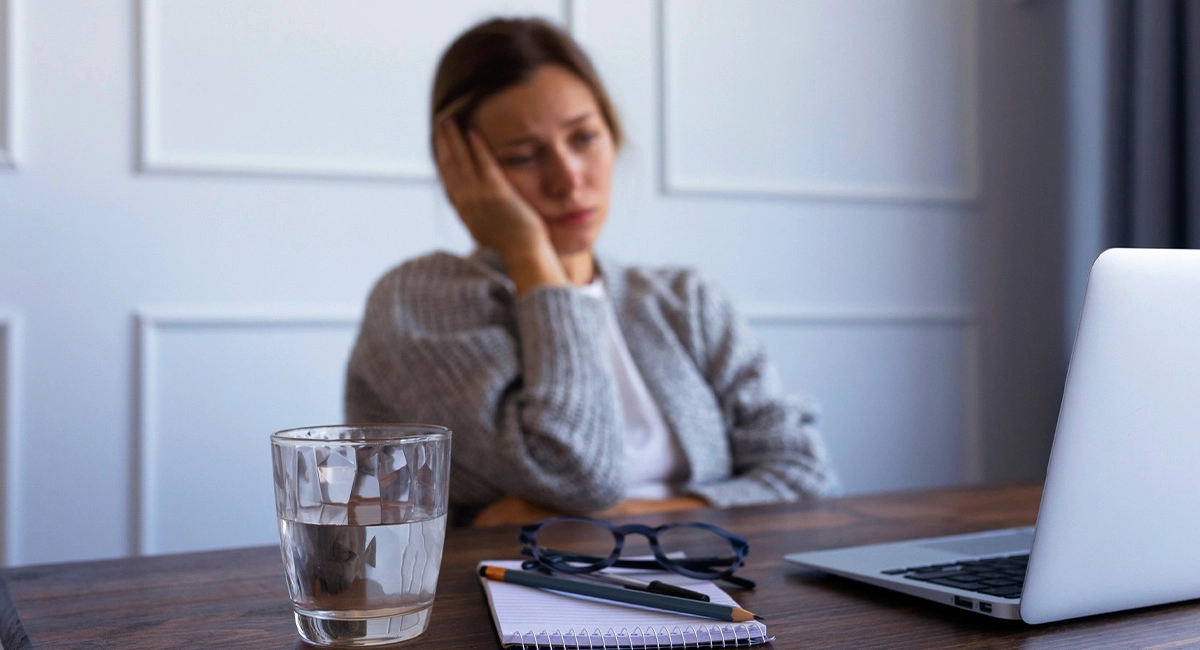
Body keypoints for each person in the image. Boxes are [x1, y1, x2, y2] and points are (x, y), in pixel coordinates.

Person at [345, 17, 836, 527]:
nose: (569, 179)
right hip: (507, 599)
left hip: (708, 583)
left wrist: (627, 516)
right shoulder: (419, 303)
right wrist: (531, 255)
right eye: (524, 157)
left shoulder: (684, 300)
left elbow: (804, 474)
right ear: (460, 171)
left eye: (583, 138)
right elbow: (576, 474)